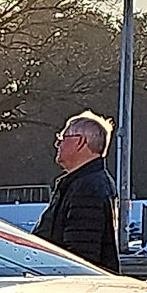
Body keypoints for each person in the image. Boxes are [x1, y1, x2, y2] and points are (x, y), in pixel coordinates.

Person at [34, 110, 120, 273]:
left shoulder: (87, 189)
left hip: (72, 287)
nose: (57, 144)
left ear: (80, 141)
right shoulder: (84, 182)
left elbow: (81, 256)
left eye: (62, 138)